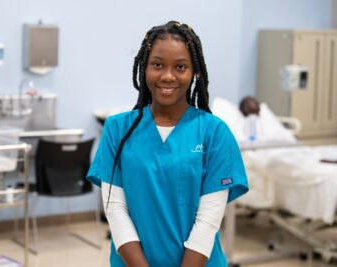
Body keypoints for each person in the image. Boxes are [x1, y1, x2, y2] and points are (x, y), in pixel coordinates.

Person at [86, 21, 248, 267]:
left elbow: (208, 221)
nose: (168, 76)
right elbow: (116, 211)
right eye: (158, 65)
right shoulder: (117, 129)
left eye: (180, 66)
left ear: (195, 72)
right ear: (144, 67)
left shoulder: (214, 133)